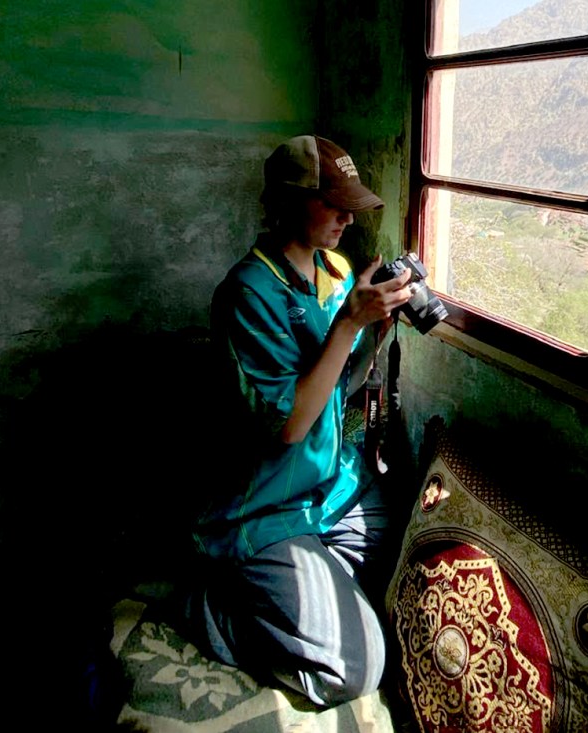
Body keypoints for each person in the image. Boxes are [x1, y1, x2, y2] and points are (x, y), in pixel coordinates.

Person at [182, 134, 414, 706]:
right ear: (286, 202)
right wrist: (348, 326)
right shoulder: (247, 293)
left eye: (349, 205)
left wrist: (375, 330)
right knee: (359, 667)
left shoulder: (334, 270)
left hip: (327, 485)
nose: (345, 217)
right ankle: (213, 608)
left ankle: (295, 582)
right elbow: (289, 424)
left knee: (404, 553)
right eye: (330, 203)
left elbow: (342, 386)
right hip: (267, 500)